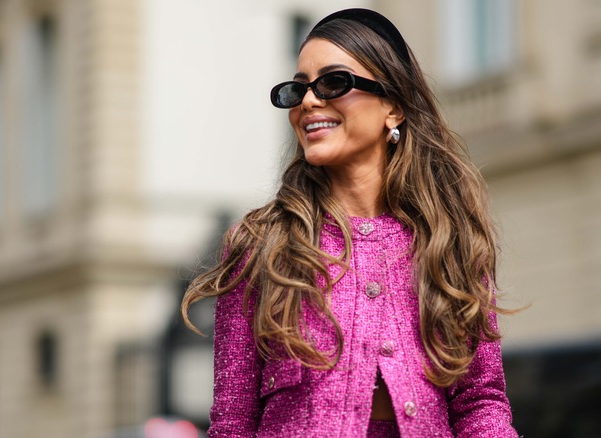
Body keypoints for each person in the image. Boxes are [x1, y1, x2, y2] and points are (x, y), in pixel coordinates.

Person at [182, 8, 519, 438]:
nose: (308, 101)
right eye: (298, 89)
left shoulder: (449, 243)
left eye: (333, 83)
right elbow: (232, 422)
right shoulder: (261, 244)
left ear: (393, 107)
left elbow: (480, 403)